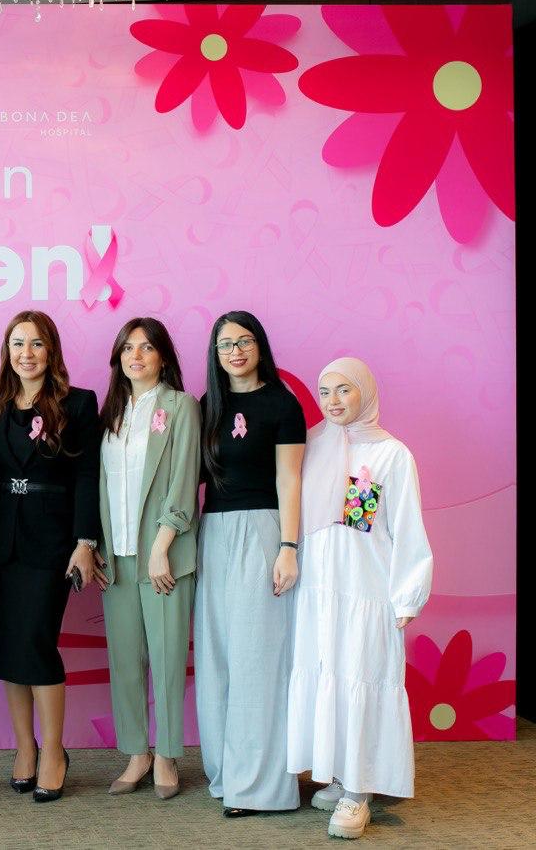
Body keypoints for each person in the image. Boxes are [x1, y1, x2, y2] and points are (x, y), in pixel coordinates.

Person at [287, 358, 433, 840]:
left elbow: (407, 528)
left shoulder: (391, 454)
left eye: (344, 390)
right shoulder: (312, 445)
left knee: (361, 679)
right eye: (325, 391)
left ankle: (359, 792)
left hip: (366, 592)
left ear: (365, 392)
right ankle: (339, 773)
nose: (333, 401)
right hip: (319, 591)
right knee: (328, 676)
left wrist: (407, 594)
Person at [0, 310, 102, 804]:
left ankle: (54, 750)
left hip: (52, 542)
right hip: (3, 542)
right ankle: (25, 747)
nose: (26, 353)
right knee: (9, 650)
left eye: (36, 343)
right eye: (17, 343)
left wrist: (85, 542)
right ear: (6, 351)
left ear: (51, 350)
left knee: (36, 643)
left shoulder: (78, 403)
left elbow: (88, 476)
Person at [194, 311, 306, 817]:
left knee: (257, 659)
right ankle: (226, 774)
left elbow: (290, 479)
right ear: (215, 354)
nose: (235, 351)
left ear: (260, 345)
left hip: (262, 530)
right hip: (213, 534)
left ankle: (260, 787)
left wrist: (288, 546)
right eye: (225, 344)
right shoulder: (207, 406)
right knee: (217, 656)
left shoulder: (282, 403)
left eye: (244, 341)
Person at [97, 317, 200, 801]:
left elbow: (183, 477)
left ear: (163, 356)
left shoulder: (181, 406)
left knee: (167, 657)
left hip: (164, 556)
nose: (136, 356)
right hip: (116, 556)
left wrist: (162, 546)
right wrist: (98, 547)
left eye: (146, 348)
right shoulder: (111, 413)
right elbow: (104, 485)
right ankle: (136, 752)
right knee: (125, 660)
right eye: (128, 348)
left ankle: (167, 754)